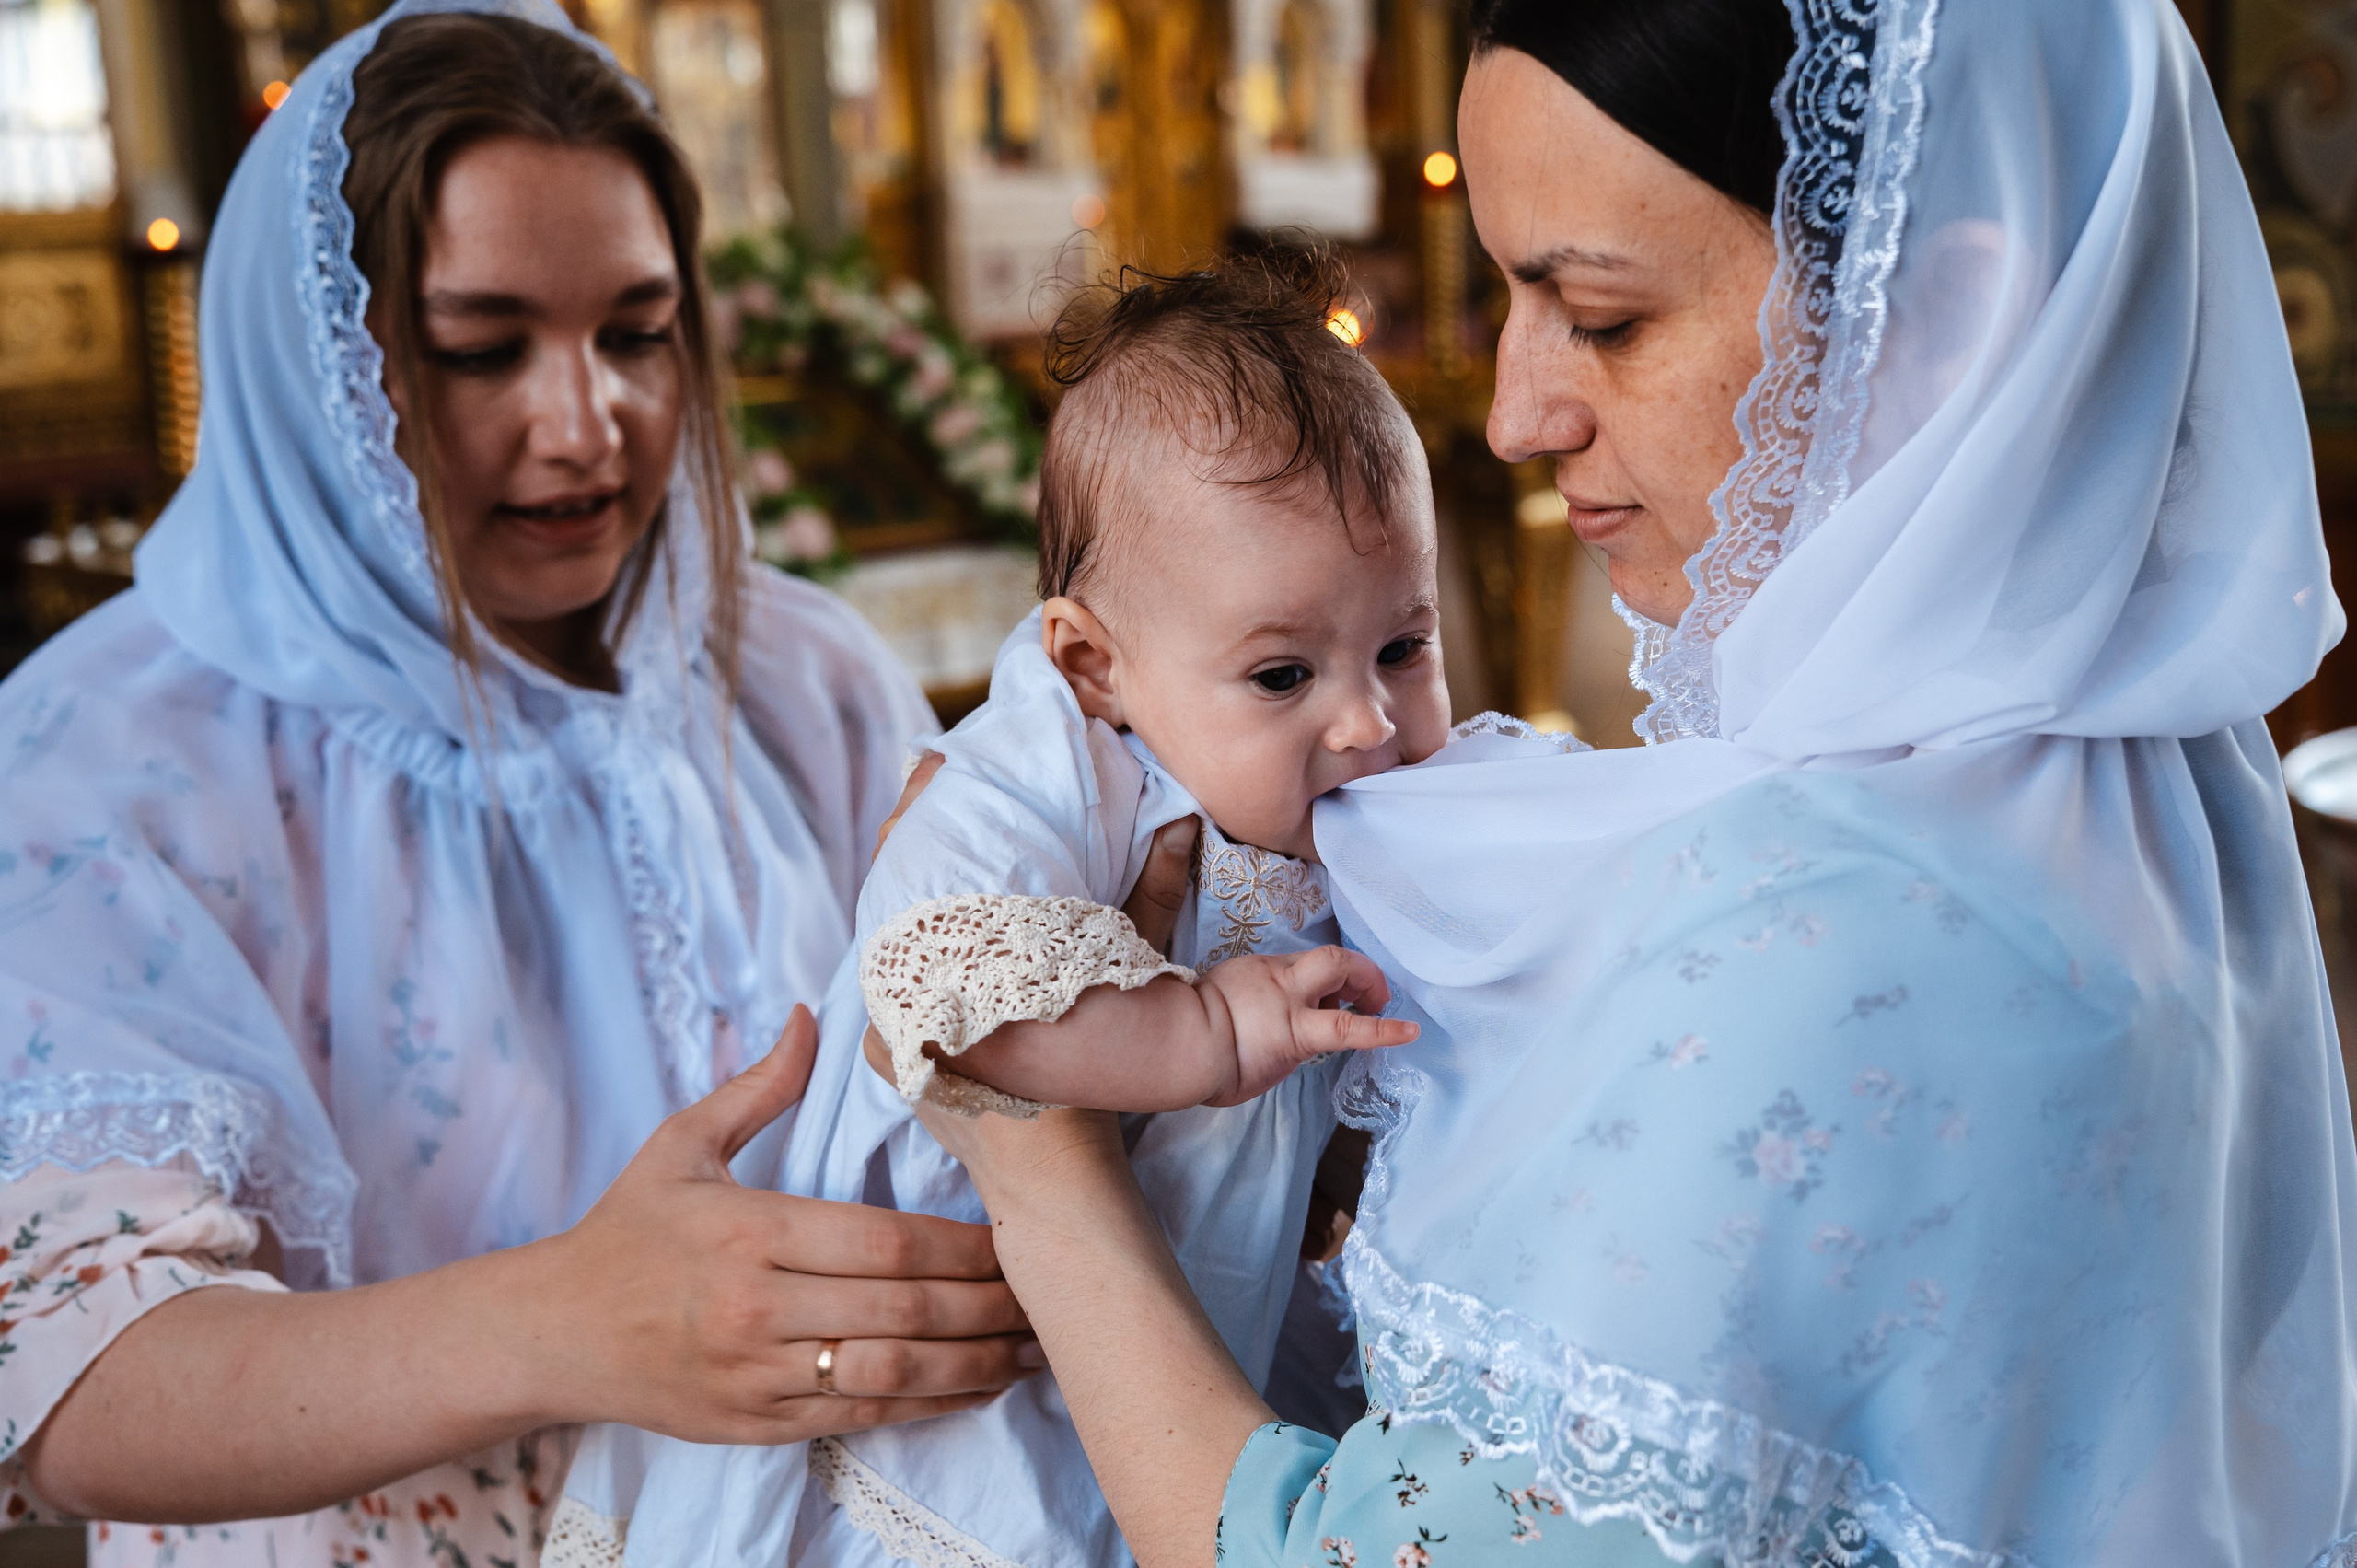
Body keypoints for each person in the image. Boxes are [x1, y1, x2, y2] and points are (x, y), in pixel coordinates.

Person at [899, 0, 2357, 1564]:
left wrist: (1031, 1151)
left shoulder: (1832, 927)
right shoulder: (2152, 782)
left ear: (1940, 307)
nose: (1520, 417)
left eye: (1597, 316)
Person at [0, 5, 1052, 1562]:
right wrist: (572, 1320)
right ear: (322, 375)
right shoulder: (107, 759)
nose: (588, 426)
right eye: (483, 349)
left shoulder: (798, 680)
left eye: (636, 332)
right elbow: (65, 1379)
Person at [556, 255, 1441, 1568]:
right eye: (1282, 671)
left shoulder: (1363, 794)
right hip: (965, 1359)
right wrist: (1199, 1029)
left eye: (1404, 647)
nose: (1366, 721)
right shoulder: (1045, 769)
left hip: (1185, 1325)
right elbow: (946, 989)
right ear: (1097, 663)